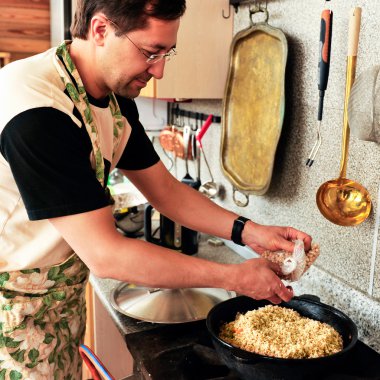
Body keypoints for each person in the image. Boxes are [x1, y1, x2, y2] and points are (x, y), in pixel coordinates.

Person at [0, 0, 312, 377]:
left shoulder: (112, 97)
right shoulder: (38, 112)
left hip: (57, 303)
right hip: (11, 314)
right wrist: (234, 277)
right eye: (150, 52)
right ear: (100, 30)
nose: (159, 70)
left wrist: (250, 231)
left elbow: (166, 191)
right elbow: (107, 255)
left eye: (168, 53)